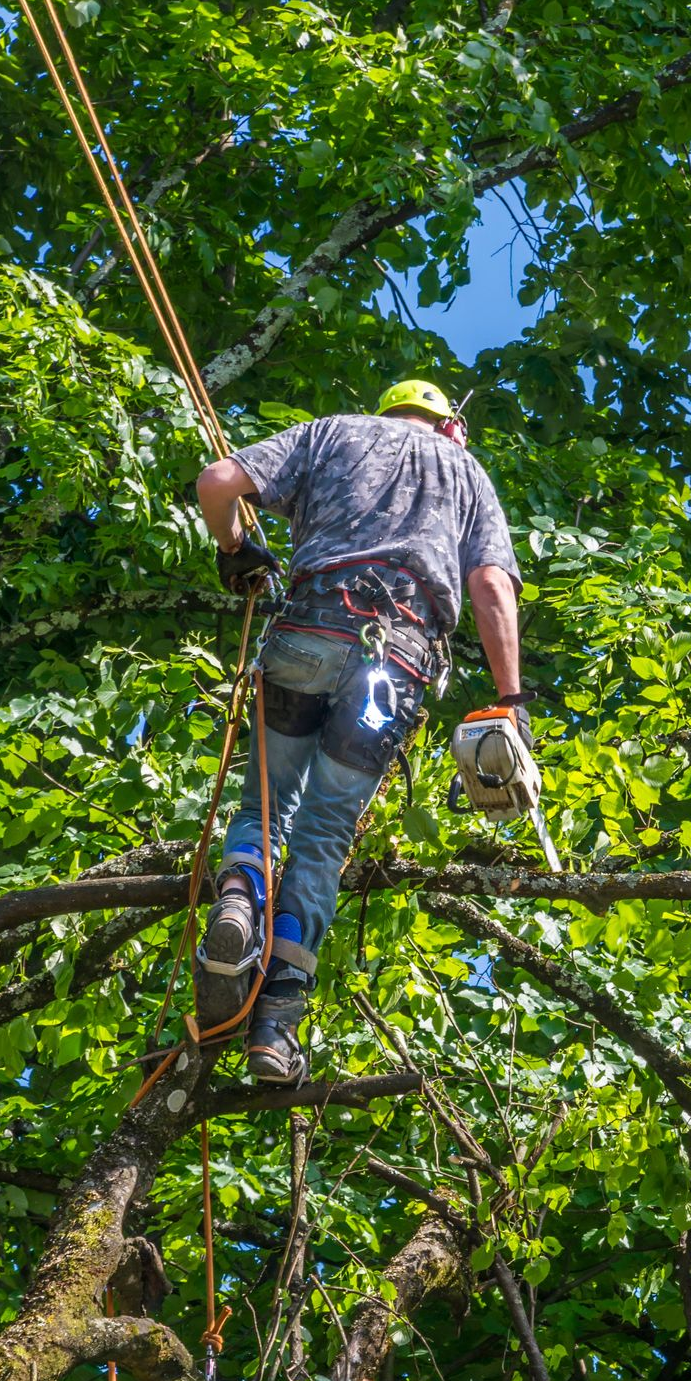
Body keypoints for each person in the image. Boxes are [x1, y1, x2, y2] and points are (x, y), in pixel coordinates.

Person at [193, 378, 529, 1082]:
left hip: (307, 638)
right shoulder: (465, 471)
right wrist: (510, 698)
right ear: (451, 428)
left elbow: (218, 481)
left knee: (264, 808)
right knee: (322, 839)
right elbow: (492, 586)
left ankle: (235, 906)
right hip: (391, 671)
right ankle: (276, 1029)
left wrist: (236, 550)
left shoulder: (331, 432)